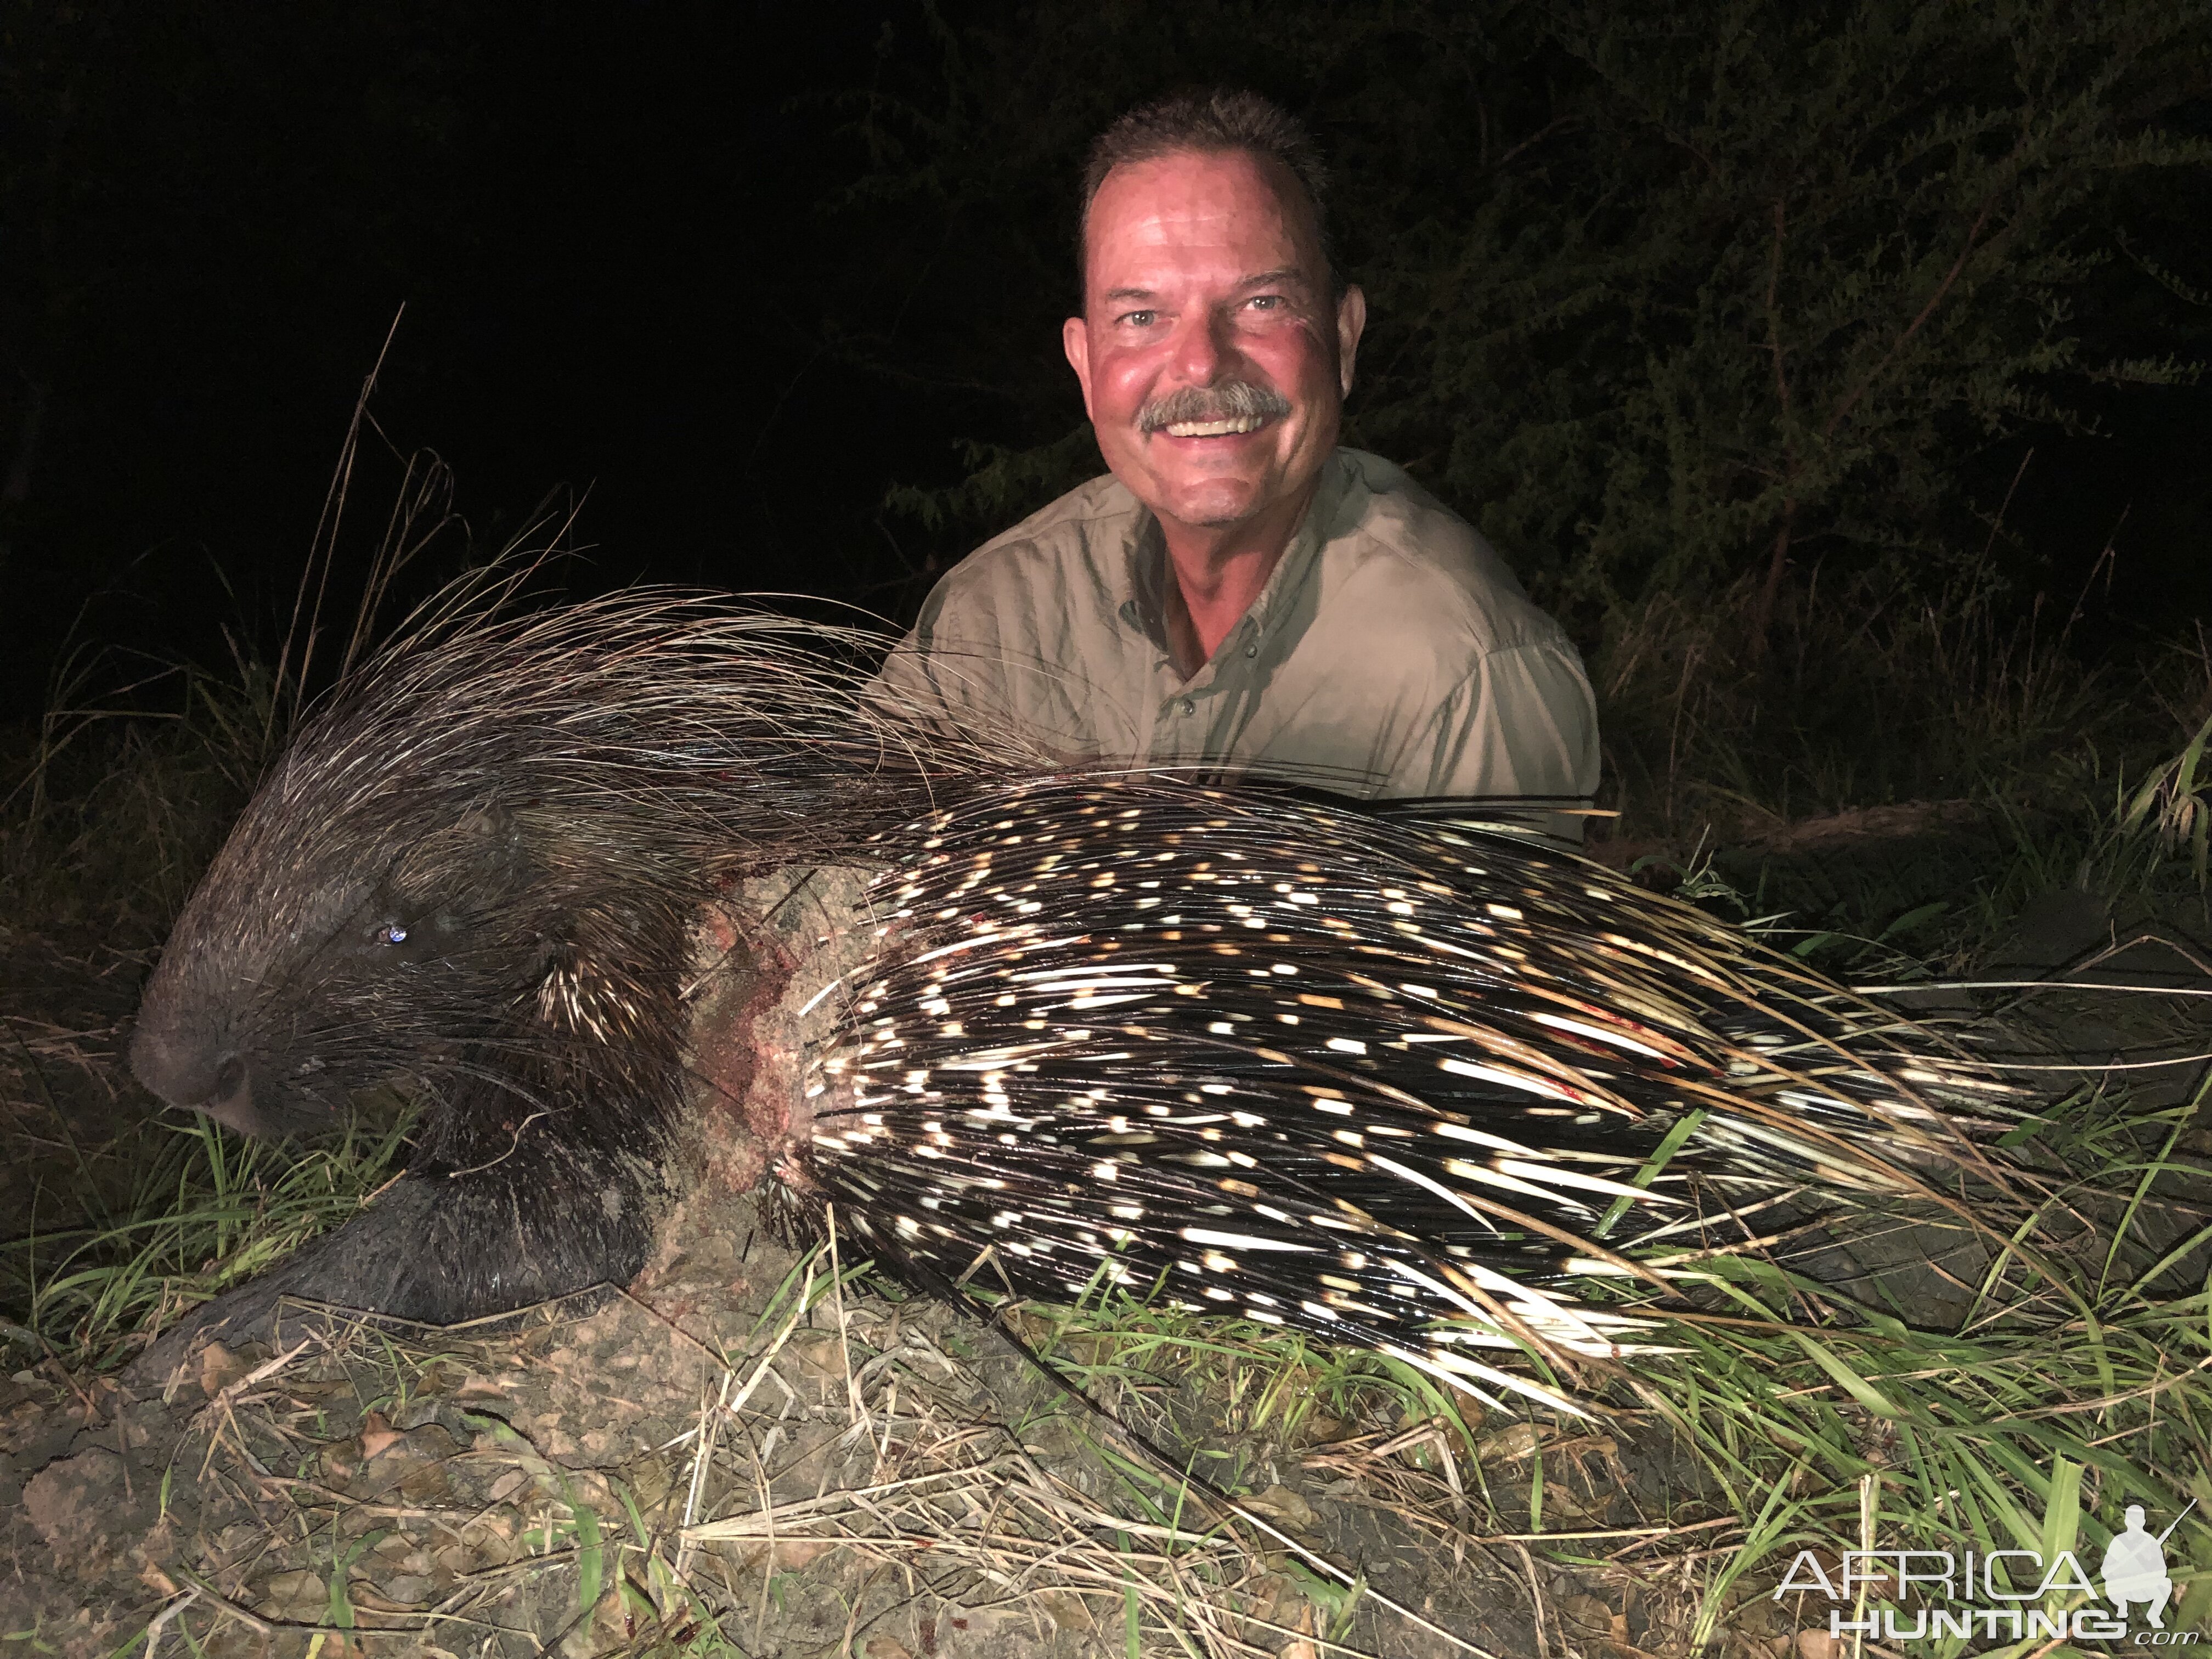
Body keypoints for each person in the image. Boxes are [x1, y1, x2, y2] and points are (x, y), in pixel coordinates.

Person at [876, 88, 1599, 828]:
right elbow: (828, 865)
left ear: (1343, 340)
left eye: (1260, 304)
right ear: (1085, 368)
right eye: (1142, 317)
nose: (1201, 364)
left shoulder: (1467, 674)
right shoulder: (996, 612)